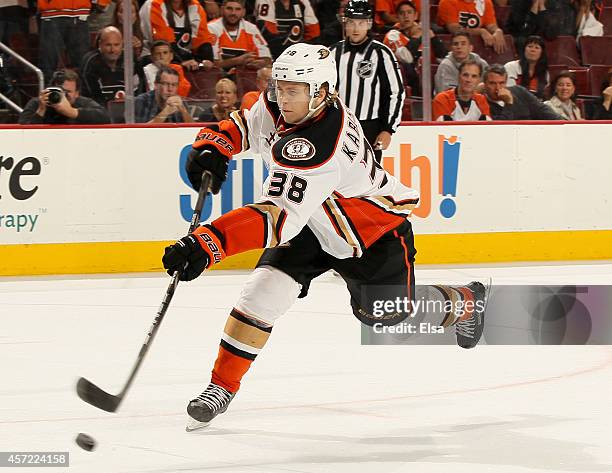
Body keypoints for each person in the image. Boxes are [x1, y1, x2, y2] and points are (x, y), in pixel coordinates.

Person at [161, 43, 488, 431]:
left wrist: (207, 244)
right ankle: (220, 387)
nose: (282, 97)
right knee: (261, 294)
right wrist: (214, 145)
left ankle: (466, 301)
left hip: (368, 235)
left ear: (322, 92)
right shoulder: (286, 103)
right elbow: (248, 126)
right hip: (311, 225)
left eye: (293, 90)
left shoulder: (319, 142)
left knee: (387, 316)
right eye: (279, 87)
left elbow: (276, 218)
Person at [330, 0, 405, 163]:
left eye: (361, 23)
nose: (356, 28)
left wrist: (388, 129)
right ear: (345, 23)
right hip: (338, 126)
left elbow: (396, 92)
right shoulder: (333, 52)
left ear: (369, 24)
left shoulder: (381, 53)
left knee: (369, 179)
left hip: (370, 128)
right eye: (351, 22)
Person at [384, 1, 447, 94]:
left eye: (409, 12)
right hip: (403, 86)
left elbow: (443, 58)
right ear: (397, 17)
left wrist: (433, 38)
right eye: (402, 13)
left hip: (429, 85)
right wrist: (416, 37)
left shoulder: (424, 33)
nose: (406, 16)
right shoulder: (392, 36)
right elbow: (407, 58)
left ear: (415, 16)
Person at [80, 26, 144, 106]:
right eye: (108, 45)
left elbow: (138, 87)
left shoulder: (130, 59)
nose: (112, 50)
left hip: (128, 107)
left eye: (116, 45)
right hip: (97, 108)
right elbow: (91, 95)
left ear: (122, 44)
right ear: (100, 44)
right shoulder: (90, 61)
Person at [19, 69, 111, 124]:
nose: (63, 96)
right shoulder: (38, 103)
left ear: (77, 93)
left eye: (68, 92)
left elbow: (105, 117)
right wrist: (40, 111)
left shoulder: (82, 103)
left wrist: (72, 112)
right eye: (60, 91)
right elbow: (22, 132)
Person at [147, 0, 215, 70]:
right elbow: (165, 43)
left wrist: (206, 61)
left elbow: (202, 39)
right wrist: (181, 63)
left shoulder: (195, 6)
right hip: (159, 59)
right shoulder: (156, 4)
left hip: (188, 58)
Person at [208, 0, 272, 71]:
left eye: (238, 9)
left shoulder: (251, 29)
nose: (233, 13)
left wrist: (261, 63)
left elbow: (267, 59)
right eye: (229, 8)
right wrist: (238, 60)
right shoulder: (212, 28)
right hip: (218, 75)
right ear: (222, 10)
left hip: (246, 76)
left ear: (243, 12)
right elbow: (212, 63)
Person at [482, 63, 563, 120]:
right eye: (492, 83)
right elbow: (501, 129)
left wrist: (566, 125)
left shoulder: (519, 91)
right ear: (485, 84)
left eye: (501, 83)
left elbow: (543, 110)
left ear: (506, 82)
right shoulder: (481, 103)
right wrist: (509, 103)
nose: (497, 88)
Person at [254, 0, 320, 58]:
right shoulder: (265, 1)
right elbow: (268, 33)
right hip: (273, 54)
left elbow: (314, 33)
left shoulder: (303, 1)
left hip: (299, 53)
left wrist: (305, 51)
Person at [437, 0, 506, 53]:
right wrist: (480, 31)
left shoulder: (485, 2)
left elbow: (491, 25)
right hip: (454, 47)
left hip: (478, 48)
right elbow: (454, 29)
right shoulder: (447, 1)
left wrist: (497, 31)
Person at [504, 35, 549, 100]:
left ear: (542, 53)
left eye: (537, 48)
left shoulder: (545, 73)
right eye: (530, 46)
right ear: (524, 49)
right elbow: (510, 92)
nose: (532, 50)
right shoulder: (511, 67)